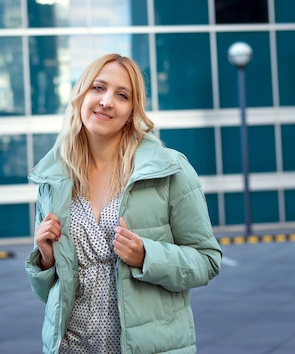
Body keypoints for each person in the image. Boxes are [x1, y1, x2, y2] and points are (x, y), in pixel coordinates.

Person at [25, 53, 222, 354]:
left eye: (122, 95)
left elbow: (207, 262)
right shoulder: (55, 178)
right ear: (81, 95)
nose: (106, 101)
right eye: (98, 88)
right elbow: (49, 294)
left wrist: (147, 256)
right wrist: (46, 260)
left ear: (132, 110)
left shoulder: (169, 170)